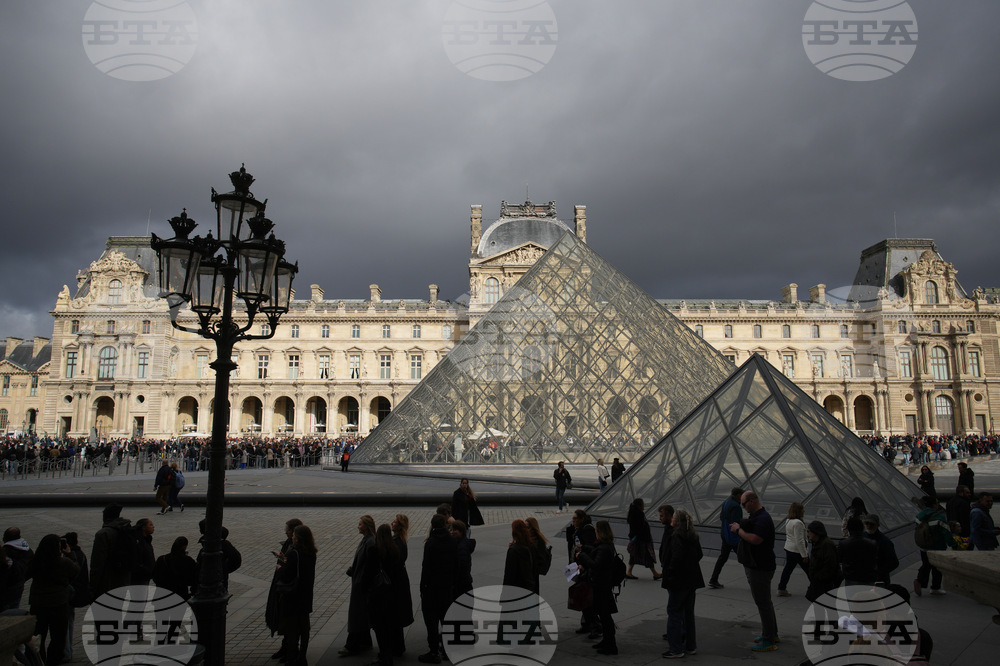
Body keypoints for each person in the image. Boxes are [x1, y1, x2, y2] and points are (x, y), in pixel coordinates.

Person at [730, 490, 778, 652]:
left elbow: (755, 539)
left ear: (751, 501)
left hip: (760, 567)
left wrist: (738, 530)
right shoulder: (759, 517)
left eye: (744, 504)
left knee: (763, 603)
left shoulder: (762, 519)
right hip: (761, 565)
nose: (743, 507)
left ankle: (768, 640)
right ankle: (771, 633)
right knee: (766, 602)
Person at [27, 534, 79, 666]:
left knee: (39, 636)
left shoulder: (36, 561)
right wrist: (70, 554)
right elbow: (75, 570)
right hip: (58, 604)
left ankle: (40, 660)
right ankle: (52, 661)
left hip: (38, 604)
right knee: (58, 638)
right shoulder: (62, 562)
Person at [661, 510, 704, 659]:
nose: (671, 519)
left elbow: (675, 558)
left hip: (678, 581)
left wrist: (670, 574)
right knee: (688, 614)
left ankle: (675, 648)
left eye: (673, 517)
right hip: (692, 580)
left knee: (674, 612)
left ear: (677, 521)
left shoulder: (676, 536)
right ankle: (691, 646)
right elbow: (699, 554)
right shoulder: (693, 536)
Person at [275, 524, 317, 666]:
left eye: (293, 536)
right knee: (304, 628)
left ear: (298, 538)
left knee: (292, 629)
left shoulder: (294, 553)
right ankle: (302, 656)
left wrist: (280, 567)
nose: (292, 537)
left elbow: (287, 575)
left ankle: (292, 658)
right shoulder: (312, 552)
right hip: (305, 595)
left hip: (293, 596)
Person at [576, 520, 619, 655]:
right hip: (601, 585)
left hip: (601, 586)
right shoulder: (605, 546)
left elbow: (595, 564)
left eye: (596, 531)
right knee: (604, 615)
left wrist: (582, 556)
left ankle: (610, 644)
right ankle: (607, 641)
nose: (594, 533)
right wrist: (586, 549)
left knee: (605, 616)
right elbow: (596, 552)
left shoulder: (604, 548)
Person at [418, 514, 457, 664]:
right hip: (446, 587)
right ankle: (447, 650)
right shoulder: (453, 541)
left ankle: (434, 652)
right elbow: (456, 564)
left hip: (432, 588)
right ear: (446, 524)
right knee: (446, 619)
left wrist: (423, 587)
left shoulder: (431, 543)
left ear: (432, 526)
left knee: (431, 621)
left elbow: (426, 567)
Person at [368, 524, 404, 666]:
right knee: (388, 626)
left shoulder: (374, 550)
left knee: (379, 626)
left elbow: (369, 573)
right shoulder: (395, 549)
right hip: (391, 593)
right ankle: (389, 653)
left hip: (378, 594)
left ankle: (384, 655)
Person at [268, 518, 303, 659]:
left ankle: (291, 649)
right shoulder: (291, 545)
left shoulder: (297, 549)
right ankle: (286, 647)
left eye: (287, 530)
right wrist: (283, 559)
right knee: (285, 619)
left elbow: (291, 571)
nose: (286, 532)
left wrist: (281, 566)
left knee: (290, 621)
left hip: (290, 589)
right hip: (284, 588)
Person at [341, 515, 376, 657]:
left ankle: (352, 644)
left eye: (360, 524)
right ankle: (365, 641)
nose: (358, 526)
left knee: (356, 614)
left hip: (361, 584)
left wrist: (362, 580)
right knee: (361, 614)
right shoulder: (367, 540)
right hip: (359, 581)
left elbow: (370, 566)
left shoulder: (370, 542)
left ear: (367, 526)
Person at [90, 503, 133, 598]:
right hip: (123, 580)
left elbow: (97, 563)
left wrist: (92, 586)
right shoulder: (127, 529)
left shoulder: (103, 534)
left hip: (107, 582)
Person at [62, 532, 90, 664]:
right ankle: (67, 651)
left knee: (66, 622)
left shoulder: (73, 557)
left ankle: (66, 652)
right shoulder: (80, 555)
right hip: (73, 593)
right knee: (69, 621)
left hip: (70, 593)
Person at [913, 495, 949, 596]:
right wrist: (953, 544)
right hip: (937, 546)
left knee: (926, 565)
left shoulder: (919, 516)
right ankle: (935, 587)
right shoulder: (939, 517)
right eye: (937, 503)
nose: (938, 505)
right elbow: (946, 532)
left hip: (923, 546)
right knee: (937, 567)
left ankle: (920, 581)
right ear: (934, 505)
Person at [708, 487, 743, 589]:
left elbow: (721, 517)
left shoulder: (727, 502)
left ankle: (713, 579)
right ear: (738, 495)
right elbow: (736, 522)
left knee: (723, 557)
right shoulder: (736, 506)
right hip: (732, 537)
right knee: (744, 557)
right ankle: (754, 580)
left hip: (725, 533)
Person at [390, 514, 414, 657]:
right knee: (397, 615)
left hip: (396, 583)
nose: (392, 524)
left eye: (394, 522)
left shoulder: (396, 542)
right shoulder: (402, 541)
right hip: (401, 581)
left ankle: (396, 647)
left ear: (399, 526)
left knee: (394, 615)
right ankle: (398, 646)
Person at [777, 502, 808, 597]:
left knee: (787, 569)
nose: (804, 511)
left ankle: (781, 588)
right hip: (797, 551)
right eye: (802, 509)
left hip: (789, 549)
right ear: (798, 511)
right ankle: (817, 589)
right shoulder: (798, 523)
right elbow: (799, 540)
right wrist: (804, 555)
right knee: (810, 570)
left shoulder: (788, 520)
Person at [805, 521, 841, 602]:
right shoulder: (818, 543)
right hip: (819, 581)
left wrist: (819, 577)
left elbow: (830, 565)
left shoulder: (826, 544)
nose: (808, 534)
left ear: (815, 532)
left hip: (824, 583)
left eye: (809, 531)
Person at [626, 498, 660, 580]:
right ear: (639, 506)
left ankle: (629, 572)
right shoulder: (639, 514)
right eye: (643, 505)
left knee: (634, 555)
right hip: (642, 539)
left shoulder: (632, 513)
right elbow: (641, 528)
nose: (644, 506)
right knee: (648, 555)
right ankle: (655, 573)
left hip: (637, 539)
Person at [838, 516, 877, 585]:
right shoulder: (872, 543)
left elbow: (840, 559)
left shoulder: (843, 543)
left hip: (851, 578)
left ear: (849, 528)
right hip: (867, 578)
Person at [1, 527, 33, 610]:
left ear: (5, 538)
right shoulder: (28, 550)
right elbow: (30, 569)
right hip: (18, 590)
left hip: (5, 593)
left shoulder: (5, 552)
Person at [862, 514, 899, 584]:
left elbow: (894, 562)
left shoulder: (885, 541)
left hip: (879, 579)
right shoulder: (862, 537)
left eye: (871, 524)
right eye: (867, 523)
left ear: (877, 525)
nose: (869, 526)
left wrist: (878, 573)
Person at [503, 519, 535, 591]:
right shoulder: (531, 546)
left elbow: (509, 574)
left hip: (516, 588)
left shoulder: (513, 550)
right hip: (528, 586)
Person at [525, 517, 551, 594]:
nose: (525, 529)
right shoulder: (527, 538)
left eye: (527, 527)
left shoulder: (538, 540)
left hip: (532, 571)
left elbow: (541, 557)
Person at [451, 520, 476, 598]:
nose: (451, 532)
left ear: (461, 531)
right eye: (450, 530)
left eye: (454, 530)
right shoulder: (460, 543)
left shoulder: (461, 547)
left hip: (461, 584)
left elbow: (462, 566)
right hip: (464, 582)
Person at [132, 518, 156, 586]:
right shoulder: (138, 542)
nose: (153, 526)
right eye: (150, 525)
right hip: (140, 577)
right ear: (143, 527)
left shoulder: (147, 539)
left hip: (146, 576)